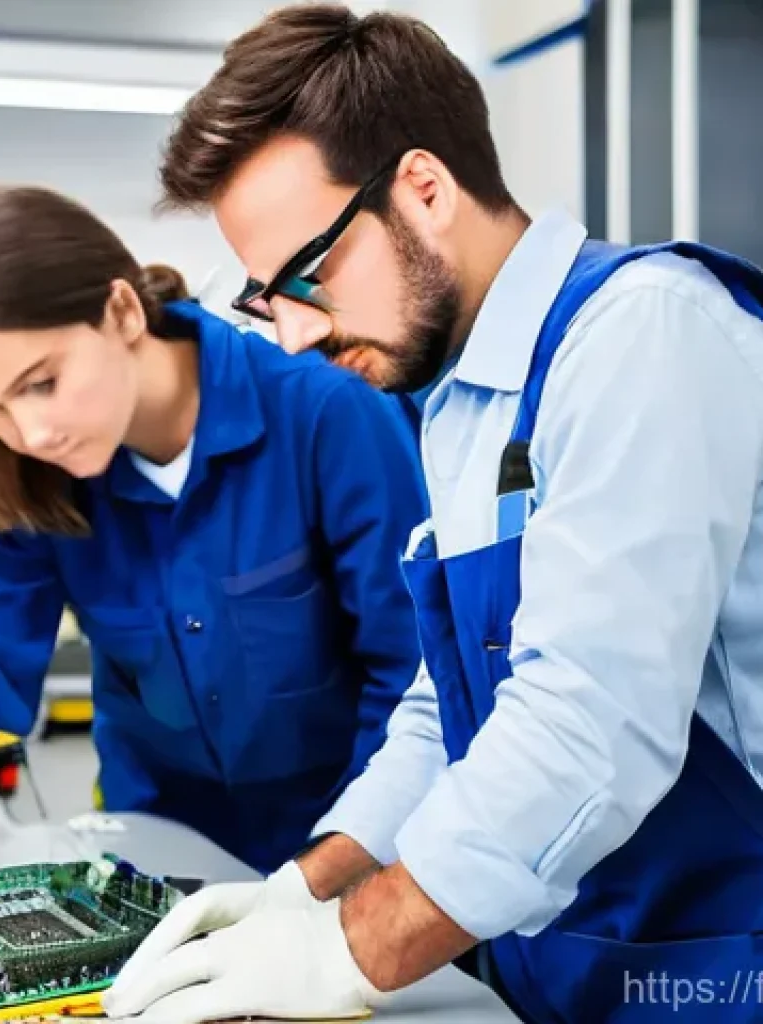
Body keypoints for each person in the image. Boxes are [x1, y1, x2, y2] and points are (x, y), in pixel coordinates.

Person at [102, 6, 763, 1024]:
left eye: (308, 277)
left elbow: (586, 724)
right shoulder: (452, 406)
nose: (290, 338)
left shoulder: (642, 335)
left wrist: (342, 954)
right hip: (578, 957)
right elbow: (447, 709)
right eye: (264, 301)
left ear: (423, 188)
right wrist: (305, 888)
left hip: (724, 959)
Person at [0, 184, 428, 945]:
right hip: (154, 859)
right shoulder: (41, 474)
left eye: (41, 383)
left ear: (120, 312)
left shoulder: (326, 409)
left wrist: (335, 880)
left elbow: (412, 677)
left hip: (344, 854)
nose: (30, 433)